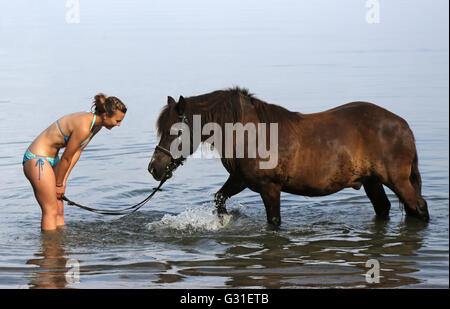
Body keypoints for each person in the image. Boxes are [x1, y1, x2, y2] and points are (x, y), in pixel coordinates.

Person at [23, 94, 127, 231]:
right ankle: (49, 248)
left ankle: (60, 248)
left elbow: (78, 151)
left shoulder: (96, 125)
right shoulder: (84, 127)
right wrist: (59, 184)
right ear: (106, 115)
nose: (119, 125)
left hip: (53, 160)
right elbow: (66, 157)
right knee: (50, 210)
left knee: (59, 210)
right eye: (117, 121)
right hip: (37, 160)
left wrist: (63, 181)